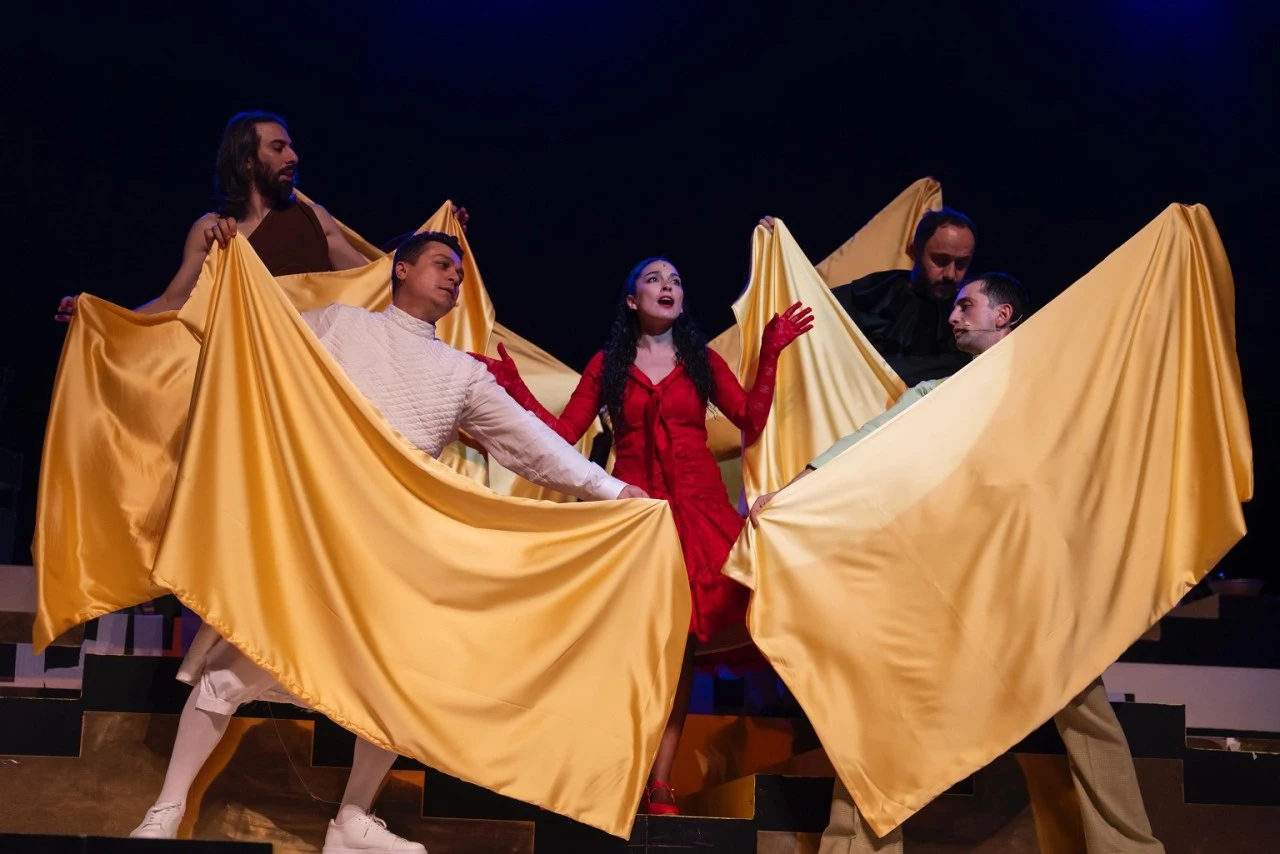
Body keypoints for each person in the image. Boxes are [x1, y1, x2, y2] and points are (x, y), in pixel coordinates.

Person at [130, 231, 646, 852]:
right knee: (234, 672)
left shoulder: (461, 373)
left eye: (459, 272)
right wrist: (136, 325)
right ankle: (166, 809)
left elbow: (533, 445)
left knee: (395, 688)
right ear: (400, 269)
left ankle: (350, 821)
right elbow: (249, 339)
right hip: (316, 540)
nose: (453, 277)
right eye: (441, 264)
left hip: (389, 554)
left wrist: (611, 490)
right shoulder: (341, 325)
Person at [751, 274, 1163, 854]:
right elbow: (867, 444)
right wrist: (792, 493)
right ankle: (855, 846)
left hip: (1032, 574)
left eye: (967, 305)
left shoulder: (1051, 382)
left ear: (1004, 315)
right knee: (888, 699)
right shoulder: (937, 395)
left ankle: (1130, 848)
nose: (952, 315)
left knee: (1081, 705)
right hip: (958, 577)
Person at [471, 257, 812, 814]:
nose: (667, 286)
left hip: (698, 518)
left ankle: (661, 782)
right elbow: (563, 435)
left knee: (681, 649)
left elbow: (750, 419)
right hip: (636, 517)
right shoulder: (607, 364)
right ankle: (604, 767)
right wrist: (513, 389)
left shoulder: (701, 360)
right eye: (654, 279)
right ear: (632, 300)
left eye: (675, 280)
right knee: (626, 646)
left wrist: (771, 351)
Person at [55, 110, 466, 319]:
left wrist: (437, 238)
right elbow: (172, 302)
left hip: (310, 367)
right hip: (243, 371)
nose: (293, 156)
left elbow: (376, 281)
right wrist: (103, 319)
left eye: (291, 147)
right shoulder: (211, 231)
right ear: (247, 162)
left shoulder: (313, 218)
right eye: (278, 148)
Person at [759, 208, 975, 385]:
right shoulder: (874, 293)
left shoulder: (970, 316)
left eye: (962, 263)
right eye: (940, 260)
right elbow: (805, 306)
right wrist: (776, 250)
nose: (950, 274)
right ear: (914, 251)